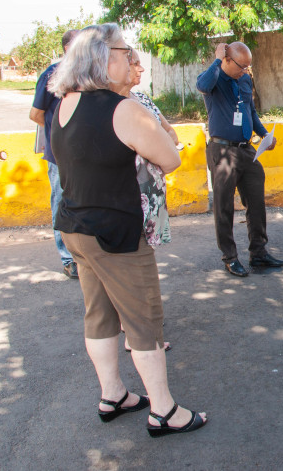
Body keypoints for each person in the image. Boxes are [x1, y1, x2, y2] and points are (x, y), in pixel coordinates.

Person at [49, 23, 206, 437]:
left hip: (75, 227)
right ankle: (164, 411)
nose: (130, 58)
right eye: (125, 51)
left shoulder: (66, 102)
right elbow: (170, 158)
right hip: (117, 234)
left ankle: (113, 394)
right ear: (103, 58)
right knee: (143, 323)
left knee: (98, 316)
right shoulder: (124, 109)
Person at [196, 42, 283, 277]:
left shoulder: (245, 80)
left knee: (256, 203)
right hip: (222, 151)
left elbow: (250, 111)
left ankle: (258, 253)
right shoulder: (213, 78)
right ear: (226, 60)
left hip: (247, 150)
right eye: (241, 66)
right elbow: (202, 85)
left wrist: (264, 134)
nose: (246, 71)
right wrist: (216, 59)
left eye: (249, 66)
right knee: (223, 206)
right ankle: (230, 257)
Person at [116, 49, 174, 353]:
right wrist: (156, 148)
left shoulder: (143, 100)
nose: (140, 70)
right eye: (134, 64)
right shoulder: (118, 106)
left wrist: (158, 145)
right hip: (131, 197)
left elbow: (169, 134)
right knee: (135, 268)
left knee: (142, 261)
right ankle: (138, 333)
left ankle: (137, 327)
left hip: (151, 192)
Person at [29, 29, 79, 279]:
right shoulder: (52, 74)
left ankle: (84, 254)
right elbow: (36, 114)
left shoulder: (89, 75)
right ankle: (68, 258)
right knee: (61, 203)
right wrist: (56, 138)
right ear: (69, 47)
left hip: (85, 155)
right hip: (59, 156)